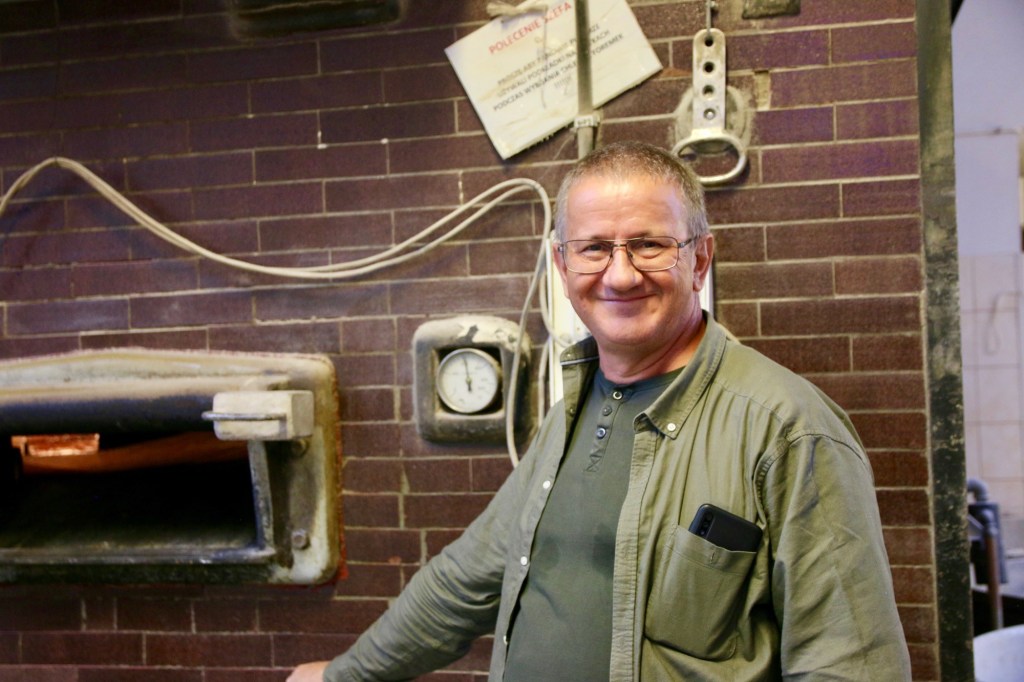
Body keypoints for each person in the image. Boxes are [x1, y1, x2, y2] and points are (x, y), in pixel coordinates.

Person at [288, 141, 912, 681]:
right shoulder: (572, 412)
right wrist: (346, 674)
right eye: (593, 249)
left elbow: (850, 662)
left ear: (699, 259)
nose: (620, 275)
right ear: (562, 265)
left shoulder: (787, 429)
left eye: (648, 244)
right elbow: (465, 581)